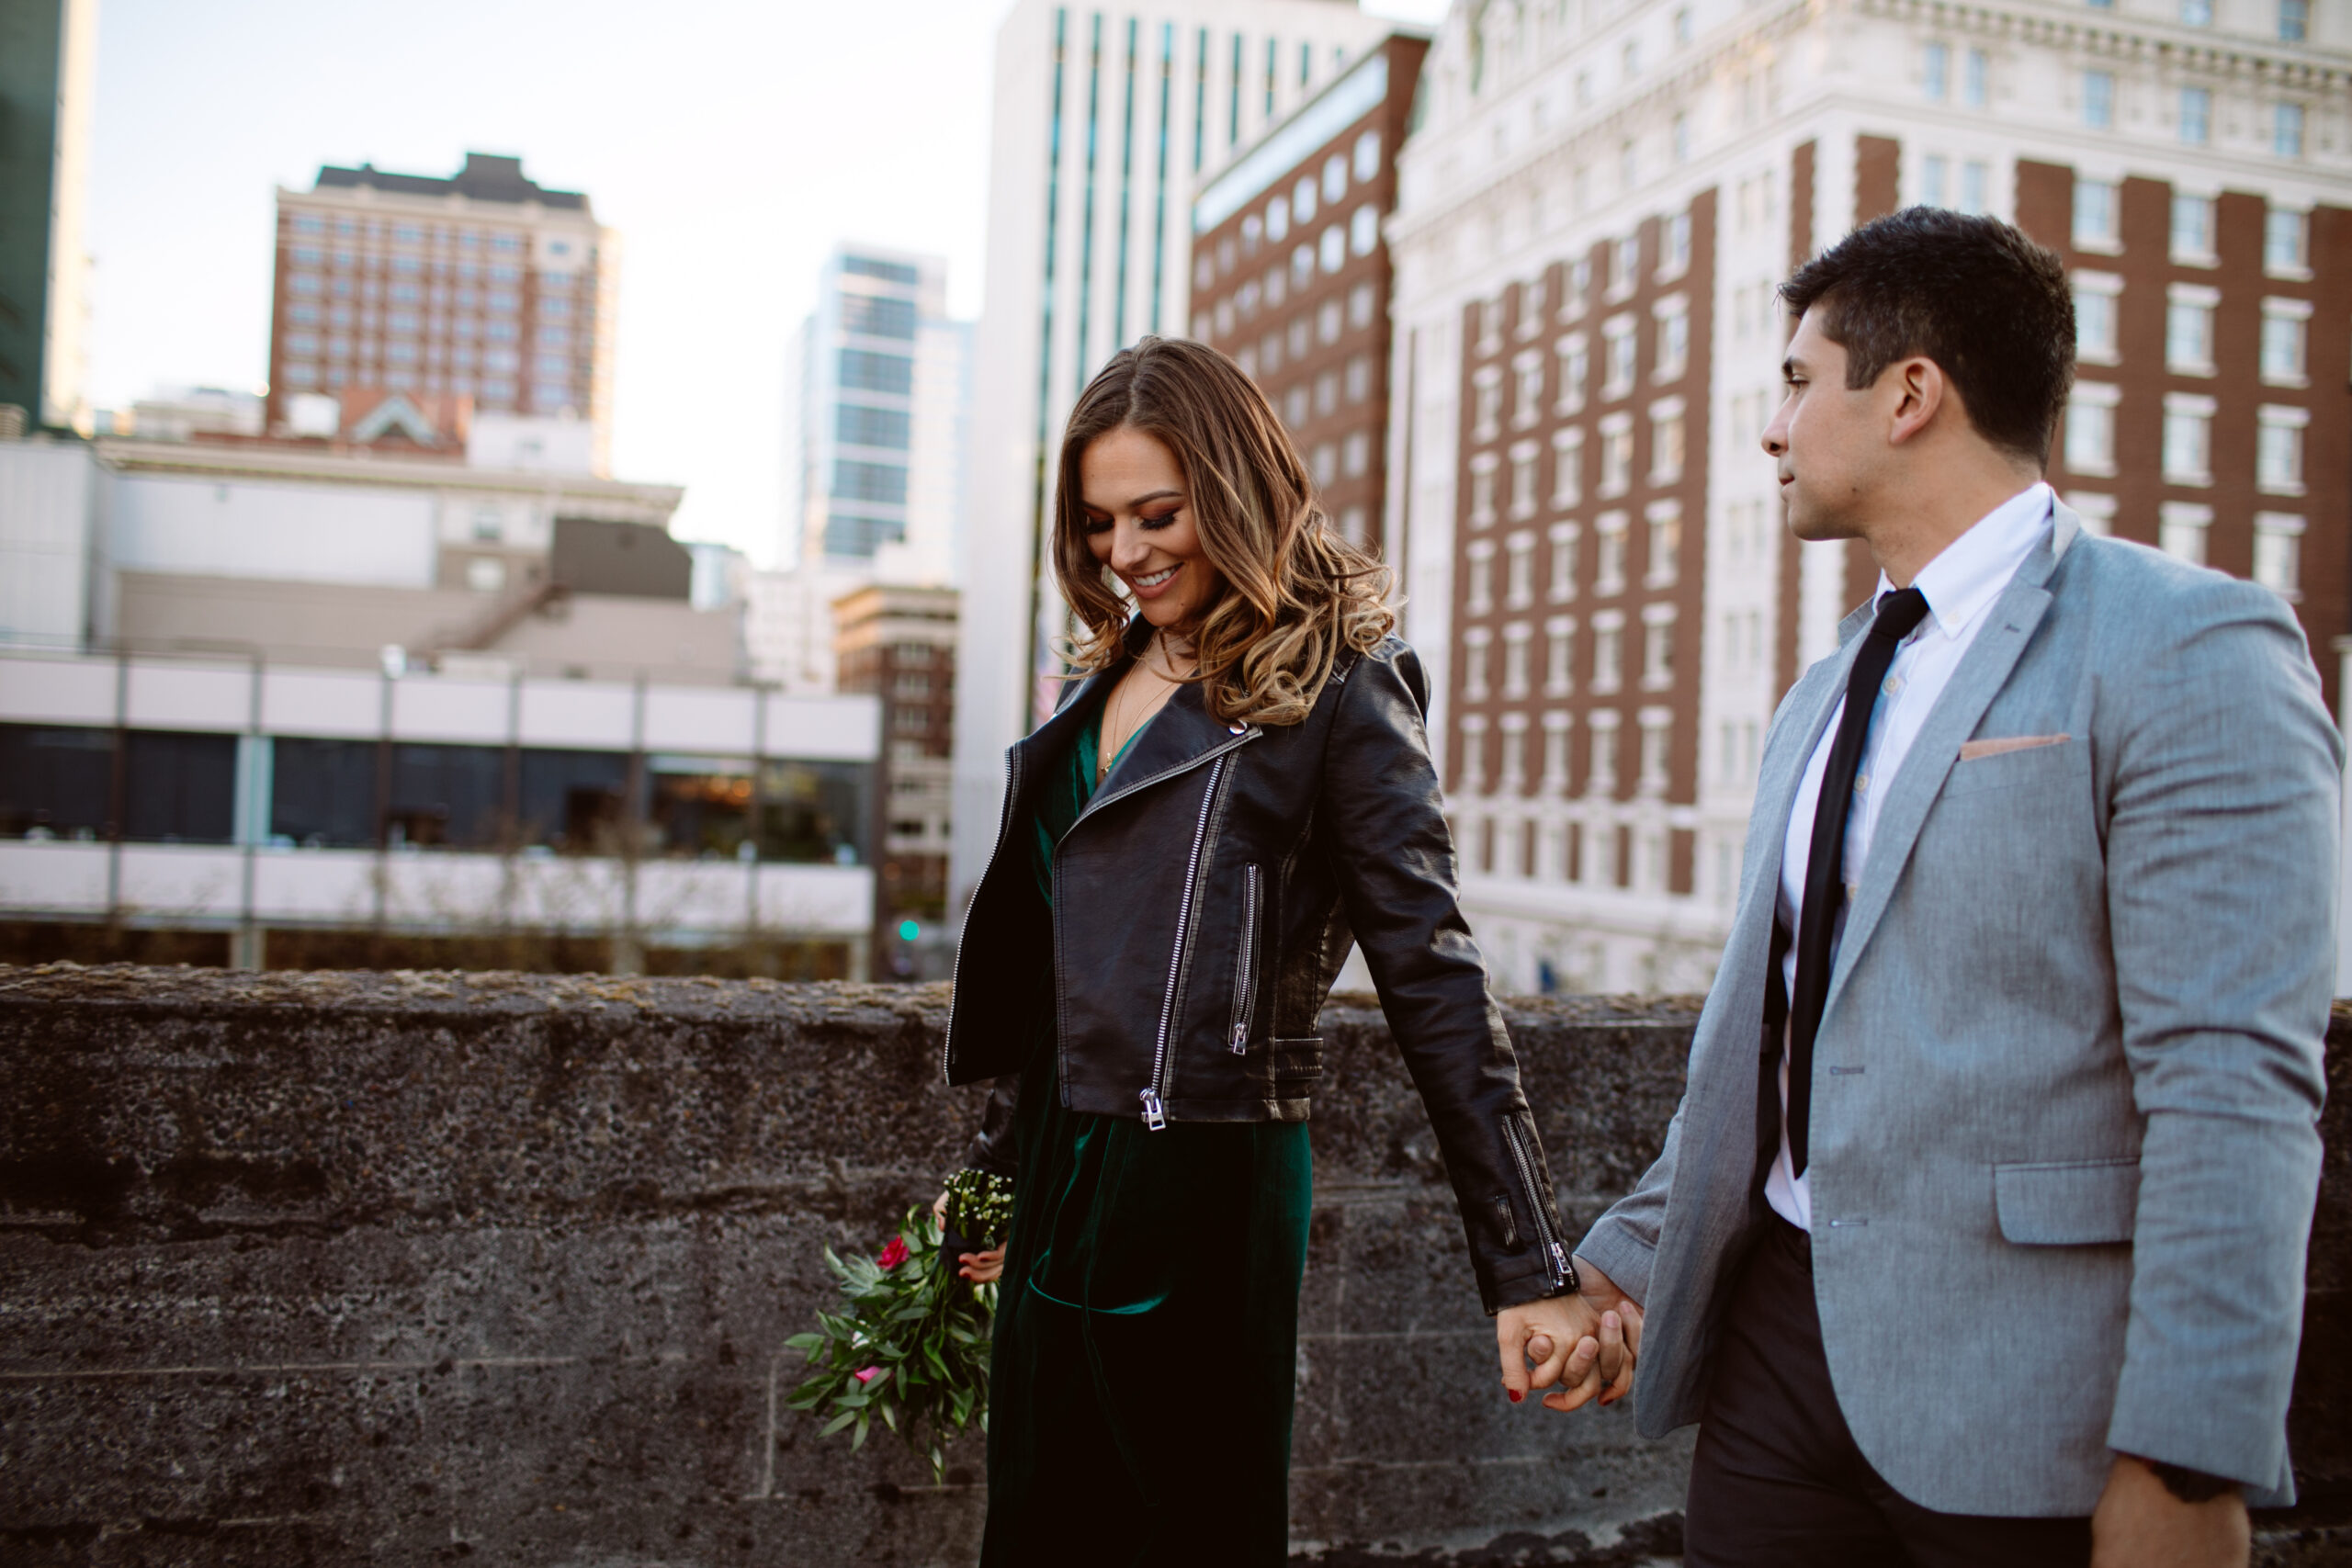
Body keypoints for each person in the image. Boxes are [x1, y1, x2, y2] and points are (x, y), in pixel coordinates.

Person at [1555, 208, 2340, 1567]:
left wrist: (2191, 1454)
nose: (1774, 425)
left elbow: (2231, 1079)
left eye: (1800, 381)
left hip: (2031, 1400)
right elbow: (1779, 1022)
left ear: (1911, 392)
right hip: (1778, 1360)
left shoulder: (2187, 643)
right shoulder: (1821, 690)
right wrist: (1628, 1252)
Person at [939, 336, 1631, 1564]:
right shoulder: (1099, 686)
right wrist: (992, 1186)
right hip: (1059, 1161)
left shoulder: (1347, 689)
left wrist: (1530, 1266)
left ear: (1237, 491)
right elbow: (1057, 979)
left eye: (1159, 514)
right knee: (1038, 1525)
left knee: (1183, 1527)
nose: (1128, 553)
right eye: (1102, 524)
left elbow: (1436, 977)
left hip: (1201, 1174)